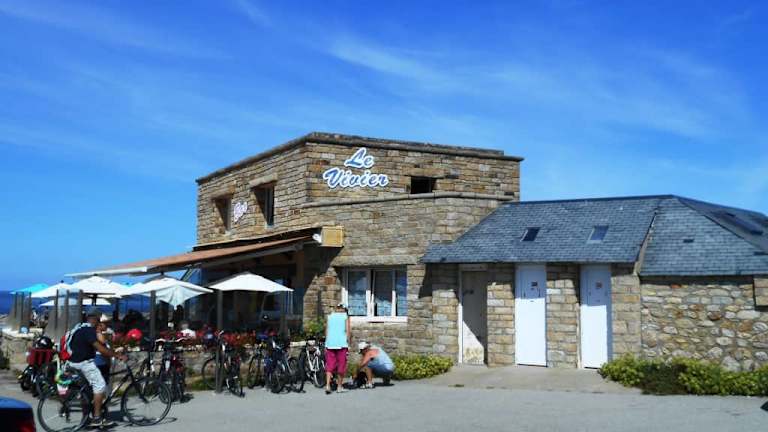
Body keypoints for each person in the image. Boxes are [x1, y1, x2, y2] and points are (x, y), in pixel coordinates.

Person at [66, 308, 127, 428]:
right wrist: (117, 355)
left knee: (87, 391)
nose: (99, 322)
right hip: (84, 363)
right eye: (98, 319)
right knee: (100, 385)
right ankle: (97, 418)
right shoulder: (89, 330)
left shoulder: (79, 327)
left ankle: (86, 419)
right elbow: (101, 349)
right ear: (95, 318)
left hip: (73, 362)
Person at [324, 303, 350, 395]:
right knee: (341, 365)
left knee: (330, 365)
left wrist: (326, 342)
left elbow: (327, 330)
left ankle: (327, 385)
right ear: (344, 309)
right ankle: (339, 386)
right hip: (341, 343)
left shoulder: (330, 316)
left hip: (330, 343)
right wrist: (348, 343)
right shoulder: (345, 317)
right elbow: (347, 331)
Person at [94, 315, 113, 386]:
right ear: (99, 324)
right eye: (105, 323)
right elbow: (103, 348)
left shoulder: (102, 334)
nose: (107, 325)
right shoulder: (98, 334)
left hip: (102, 362)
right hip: (100, 362)